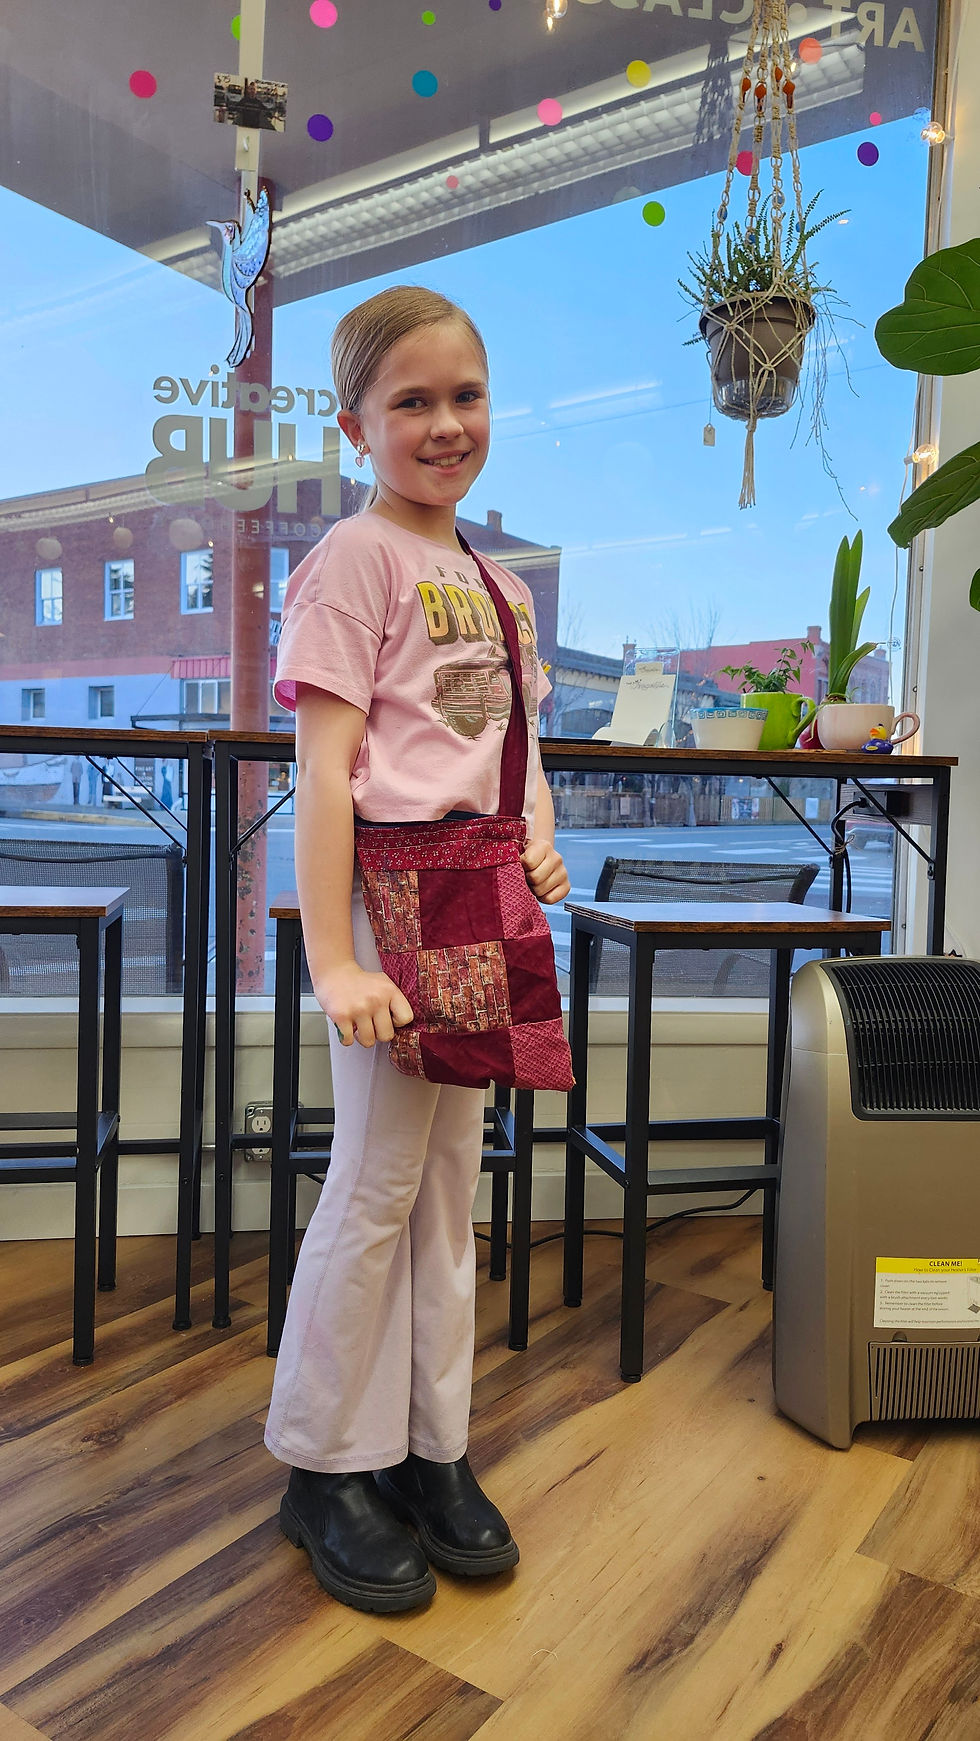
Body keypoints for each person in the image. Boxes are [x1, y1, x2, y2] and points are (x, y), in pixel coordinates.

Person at [264, 284, 569, 1616]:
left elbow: (519, 748)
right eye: (412, 402)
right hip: (397, 901)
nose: (446, 424)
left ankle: (429, 1446)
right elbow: (325, 775)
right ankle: (324, 1460)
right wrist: (336, 956)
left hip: (483, 897)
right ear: (354, 426)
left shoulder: (499, 584)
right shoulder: (355, 562)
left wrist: (538, 837)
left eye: (465, 396)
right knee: (376, 1183)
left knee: (451, 1184)